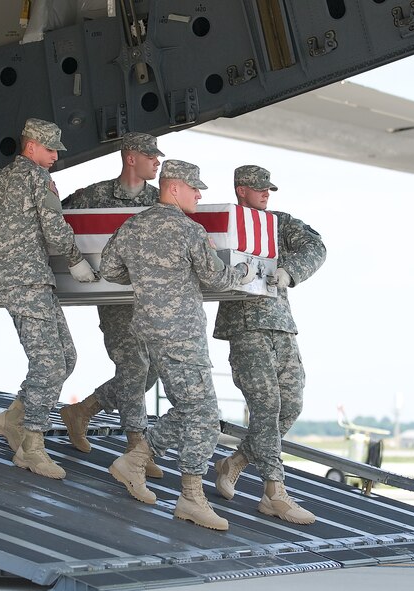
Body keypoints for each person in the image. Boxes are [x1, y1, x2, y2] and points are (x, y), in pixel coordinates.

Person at [100, 159, 254, 531]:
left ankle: (136, 460)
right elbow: (216, 279)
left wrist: (147, 280)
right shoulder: (189, 230)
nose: (199, 194)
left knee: (189, 407)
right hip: (182, 332)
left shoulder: (133, 226)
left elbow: (109, 269)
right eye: (194, 188)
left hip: (149, 329)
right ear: (173, 189)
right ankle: (190, 496)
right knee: (203, 411)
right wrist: (243, 272)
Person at [0, 117, 98, 480]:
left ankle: (12, 419)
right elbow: (54, 226)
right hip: (28, 281)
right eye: (50, 149)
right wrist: (76, 260)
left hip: (25, 282)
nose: (54, 156)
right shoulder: (37, 178)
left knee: (66, 357)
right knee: (51, 364)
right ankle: (32, 447)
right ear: (31, 146)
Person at [213, 165, 326, 525]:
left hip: (281, 325)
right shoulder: (225, 223)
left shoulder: (276, 223)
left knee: (290, 404)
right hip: (245, 326)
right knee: (266, 406)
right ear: (240, 189)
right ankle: (274, 494)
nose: (265, 194)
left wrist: (290, 271)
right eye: (258, 189)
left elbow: (315, 245)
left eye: (268, 189)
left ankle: (235, 462)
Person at [58, 132, 165, 477]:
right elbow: (56, 221)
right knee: (134, 366)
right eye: (151, 156)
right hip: (115, 298)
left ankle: (83, 410)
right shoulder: (95, 196)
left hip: (150, 299)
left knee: (151, 372)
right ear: (131, 158)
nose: (157, 162)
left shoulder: (159, 201)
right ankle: (137, 446)